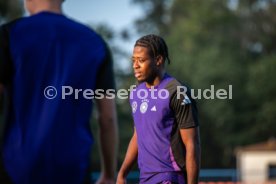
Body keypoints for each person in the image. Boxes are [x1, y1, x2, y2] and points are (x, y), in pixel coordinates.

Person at [0, 0, 118, 183]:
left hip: (17, 165)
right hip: (74, 167)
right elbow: (107, 118)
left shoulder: (10, 34)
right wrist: (109, 175)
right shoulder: (95, 43)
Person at [117, 34, 201, 184]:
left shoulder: (177, 91)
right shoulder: (136, 93)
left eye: (141, 60)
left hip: (169, 176)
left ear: (158, 60)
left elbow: (192, 144)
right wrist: (122, 173)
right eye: (133, 60)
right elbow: (138, 135)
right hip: (145, 178)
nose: (135, 65)